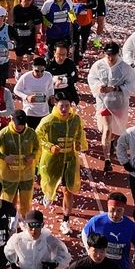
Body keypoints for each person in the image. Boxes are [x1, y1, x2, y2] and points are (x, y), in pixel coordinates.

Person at [36, 97, 87, 233]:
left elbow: (80, 132)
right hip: (52, 160)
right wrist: (50, 146)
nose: (64, 109)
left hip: (69, 160)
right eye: (61, 106)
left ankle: (66, 220)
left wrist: (77, 142)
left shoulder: (75, 119)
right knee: (50, 183)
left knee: (68, 190)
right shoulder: (48, 121)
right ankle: (48, 193)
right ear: (55, 105)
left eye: (67, 105)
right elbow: (38, 136)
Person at [87, 42, 135, 173]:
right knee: (107, 129)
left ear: (117, 54)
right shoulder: (98, 66)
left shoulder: (125, 68)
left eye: (113, 55)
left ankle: (111, 142)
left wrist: (115, 88)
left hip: (119, 103)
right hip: (104, 103)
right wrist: (99, 87)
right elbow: (92, 79)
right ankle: (107, 159)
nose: (110, 58)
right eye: (108, 55)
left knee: (115, 130)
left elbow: (132, 86)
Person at [4, 208, 71, 269]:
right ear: (25, 225)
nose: (34, 230)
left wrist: (54, 264)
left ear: (42, 225)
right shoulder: (18, 239)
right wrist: (13, 265)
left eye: (37, 225)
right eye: (31, 225)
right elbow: (8, 251)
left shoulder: (49, 240)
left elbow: (65, 256)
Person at [0, 110, 40, 216]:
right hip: (9, 175)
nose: (19, 127)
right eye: (17, 124)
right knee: (9, 201)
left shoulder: (31, 133)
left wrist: (33, 156)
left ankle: (24, 221)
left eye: (22, 124)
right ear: (11, 120)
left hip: (26, 175)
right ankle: (9, 221)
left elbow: (37, 148)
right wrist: (4, 158)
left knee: (26, 201)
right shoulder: (4, 134)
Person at [82, 192, 135, 269]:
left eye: (119, 211)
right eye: (112, 210)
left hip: (120, 266)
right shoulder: (97, 221)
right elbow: (84, 233)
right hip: (100, 264)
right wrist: (89, 251)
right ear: (107, 207)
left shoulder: (130, 226)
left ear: (124, 209)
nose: (115, 214)